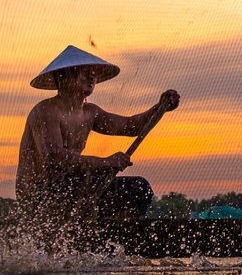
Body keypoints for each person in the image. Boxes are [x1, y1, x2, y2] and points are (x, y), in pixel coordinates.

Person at [14, 45, 179, 238]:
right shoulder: (46, 111)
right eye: (83, 73)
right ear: (63, 77)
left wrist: (159, 108)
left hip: (73, 185)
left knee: (138, 189)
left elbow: (132, 127)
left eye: (92, 73)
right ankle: (86, 235)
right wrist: (107, 162)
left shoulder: (91, 113)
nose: (91, 77)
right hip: (41, 191)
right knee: (92, 177)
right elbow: (54, 158)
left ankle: (112, 236)